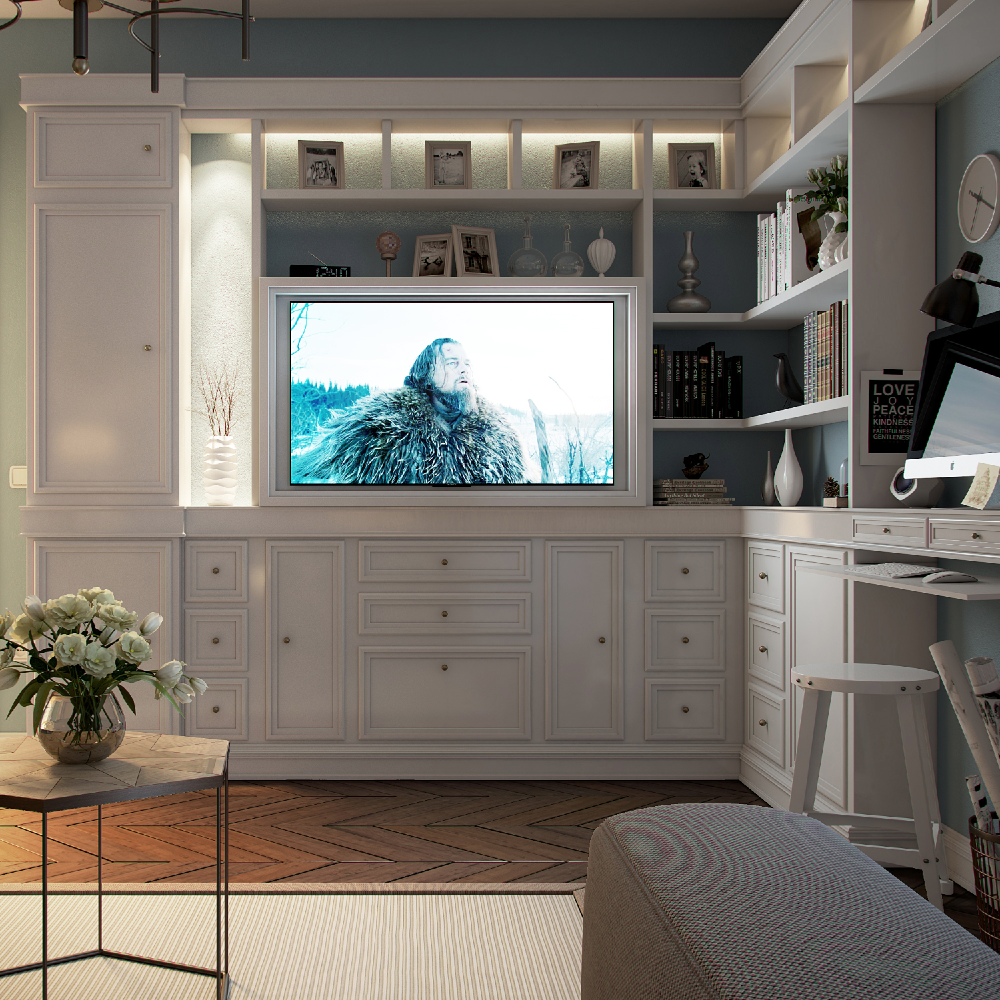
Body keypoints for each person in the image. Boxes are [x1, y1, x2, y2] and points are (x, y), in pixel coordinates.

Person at [296, 338, 525, 484]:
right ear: (425, 374)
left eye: (467, 364)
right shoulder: (378, 426)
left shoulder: (501, 436)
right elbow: (305, 474)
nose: (464, 369)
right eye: (452, 363)